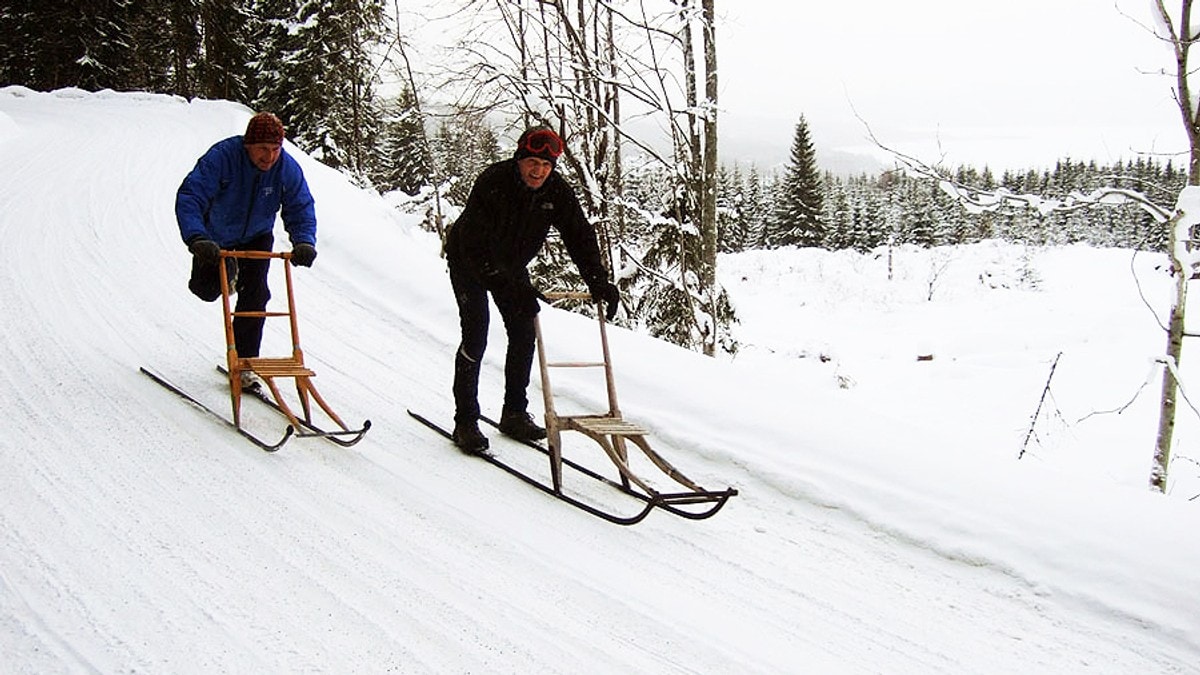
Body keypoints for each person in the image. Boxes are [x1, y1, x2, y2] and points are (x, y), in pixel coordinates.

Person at [444, 126, 620, 454]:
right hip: (469, 262)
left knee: (525, 332)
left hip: (510, 265)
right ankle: (465, 420)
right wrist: (508, 286)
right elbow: (475, 247)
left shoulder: (556, 192)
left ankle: (513, 413)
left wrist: (599, 281)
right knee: (475, 334)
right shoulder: (493, 183)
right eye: (532, 163)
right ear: (519, 159)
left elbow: (579, 236)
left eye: (546, 165)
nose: (538, 171)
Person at [175, 111, 318, 389]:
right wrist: (196, 237)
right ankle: (228, 274)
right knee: (205, 290)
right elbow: (191, 196)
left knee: (257, 294)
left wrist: (304, 241)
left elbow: (300, 205)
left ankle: (245, 364)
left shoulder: (285, 168)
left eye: (276, 149)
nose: (269, 156)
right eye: (263, 149)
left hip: (257, 235)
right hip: (216, 237)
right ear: (248, 145)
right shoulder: (222, 158)